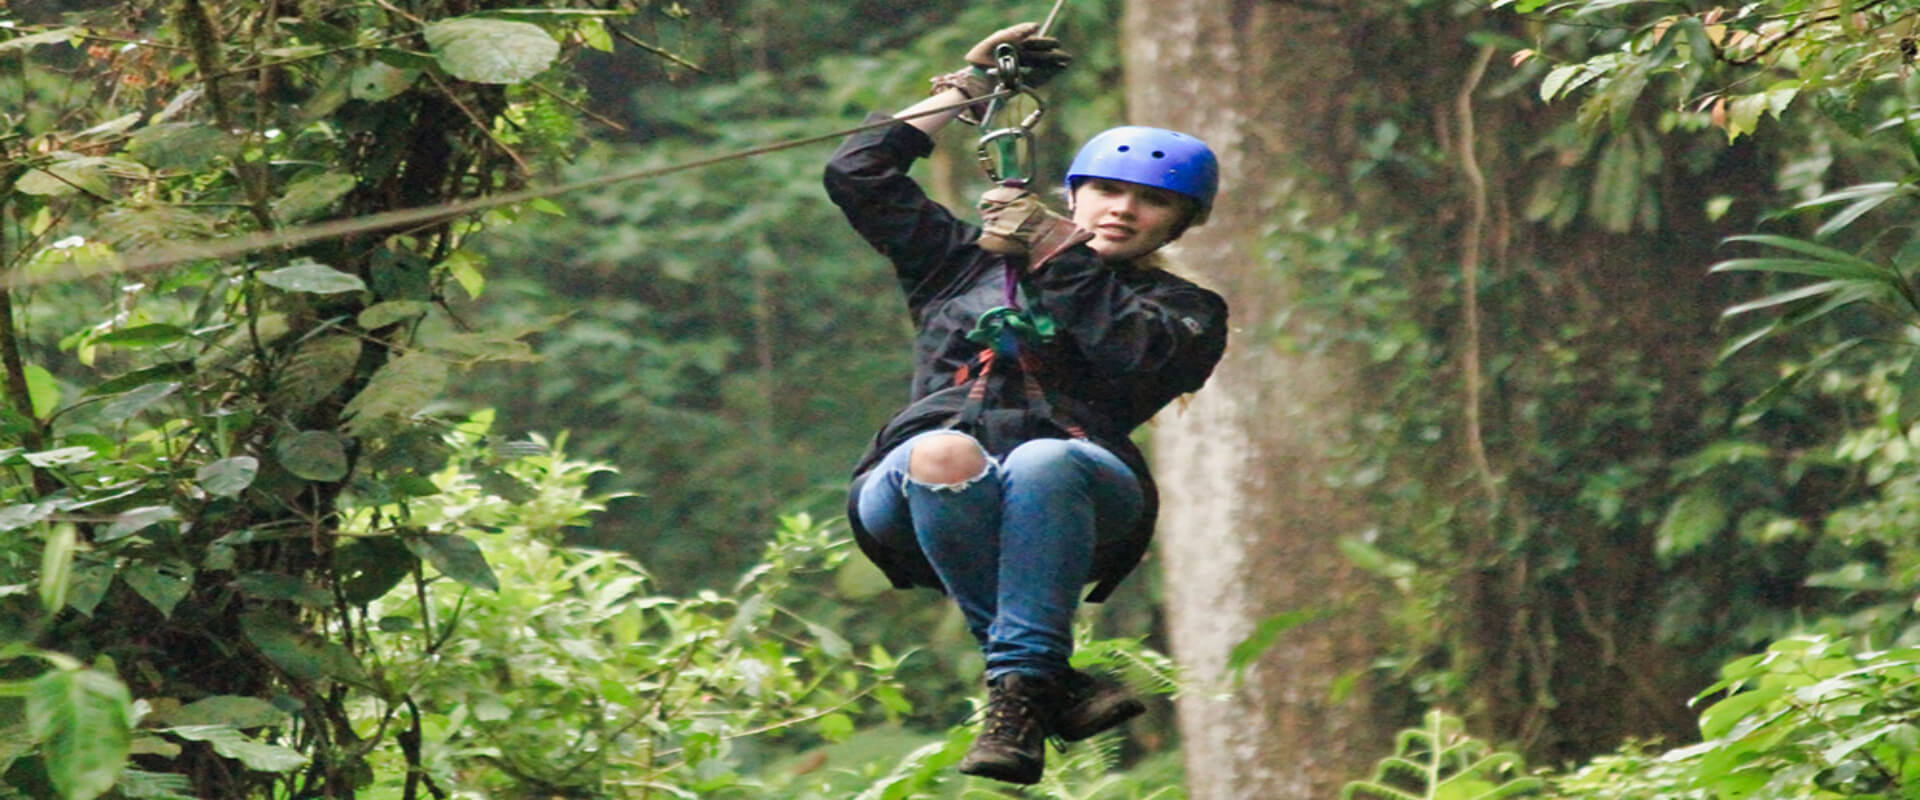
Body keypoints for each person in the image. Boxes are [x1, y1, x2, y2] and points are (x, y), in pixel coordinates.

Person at [823, 22, 1229, 786]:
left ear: (1181, 223)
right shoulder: (955, 265)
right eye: (1107, 191)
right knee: (939, 451)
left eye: (1150, 202)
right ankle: (1041, 686)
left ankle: (1017, 693)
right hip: (916, 497)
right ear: (1077, 190)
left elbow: (1135, 352)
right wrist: (966, 88)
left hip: (1081, 494)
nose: (1121, 211)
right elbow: (858, 172)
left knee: (1044, 458)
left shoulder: (1187, 309)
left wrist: (1053, 248)